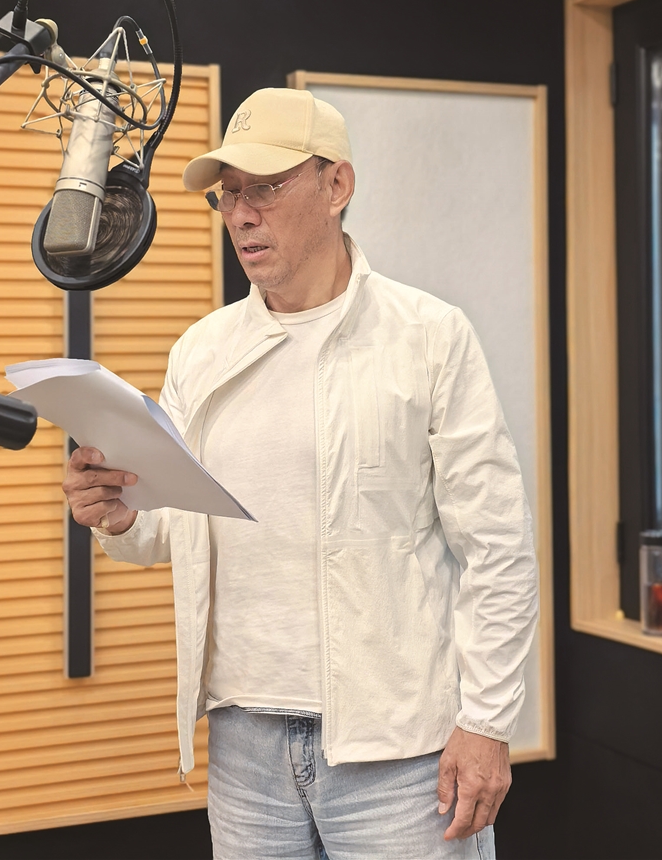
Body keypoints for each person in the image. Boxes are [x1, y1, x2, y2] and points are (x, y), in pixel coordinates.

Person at [63, 87, 538, 859]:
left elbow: (497, 548)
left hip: (400, 752)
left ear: (336, 184)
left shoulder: (429, 337)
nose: (241, 216)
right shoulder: (201, 352)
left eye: (265, 188)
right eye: (228, 196)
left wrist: (485, 722)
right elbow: (176, 527)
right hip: (245, 746)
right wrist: (121, 516)